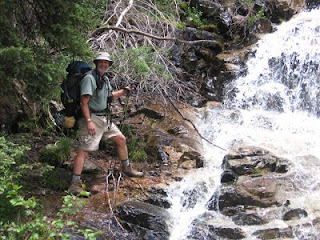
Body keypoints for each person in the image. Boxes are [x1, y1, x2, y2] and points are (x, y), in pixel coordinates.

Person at [68, 52, 143, 196]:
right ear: (96, 63)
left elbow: (109, 96)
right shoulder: (90, 78)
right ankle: (74, 184)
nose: (104, 64)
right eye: (101, 62)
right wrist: (89, 122)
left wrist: (123, 91)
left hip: (104, 118)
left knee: (121, 139)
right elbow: (83, 102)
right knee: (84, 149)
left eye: (106, 62)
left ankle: (126, 168)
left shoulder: (104, 79)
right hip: (91, 117)